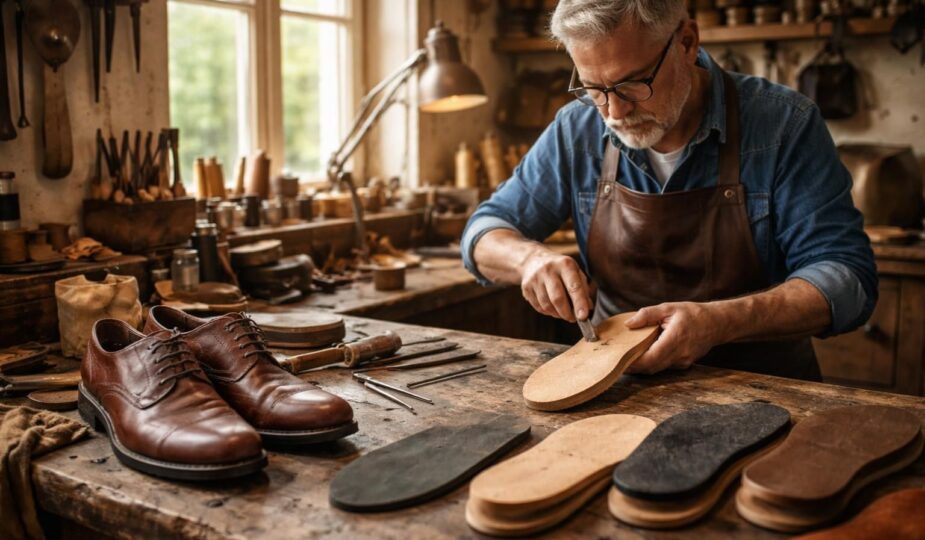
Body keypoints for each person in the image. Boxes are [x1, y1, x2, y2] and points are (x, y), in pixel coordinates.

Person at [461, 0, 877, 381]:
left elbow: (847, 280)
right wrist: (529, 260)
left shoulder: (784, 124)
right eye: (595, 89)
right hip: (617, 387)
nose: (615, 112)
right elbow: (483, 232)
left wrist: (721, 322)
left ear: (686, 42)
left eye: (632, 85)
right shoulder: (577, 128)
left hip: (763, 389)